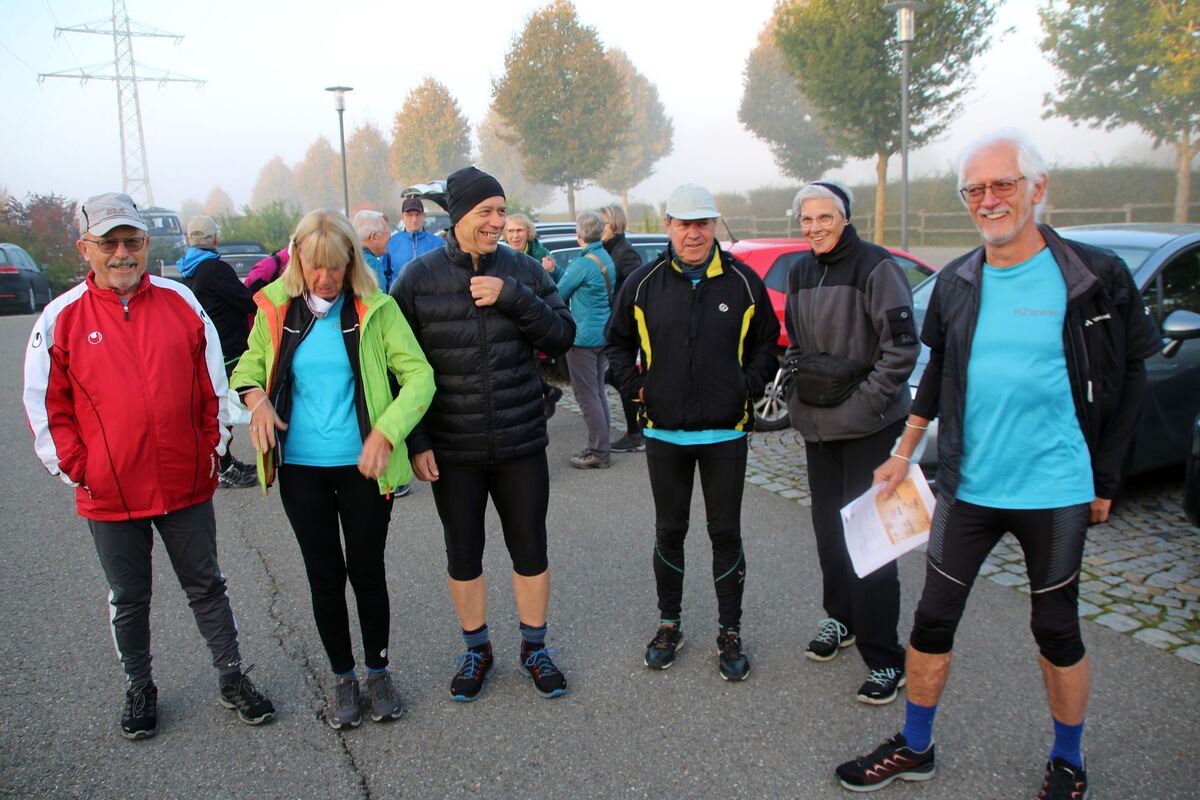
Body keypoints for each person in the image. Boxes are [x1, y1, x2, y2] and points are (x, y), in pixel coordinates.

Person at [834, 130, 1160, 798]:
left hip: (1057, 488)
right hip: (970, 485)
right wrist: (902, 455)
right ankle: (915, 745)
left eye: (1002, 184)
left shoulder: (1095, 278)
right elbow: (937, 376)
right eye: (974, 189)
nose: (988, 200)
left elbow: (1130, 376)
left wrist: (1106, 479)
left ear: (1037, 188)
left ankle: (1068, 761)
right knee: (931, 622)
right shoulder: (957, 281)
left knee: (1056, 628)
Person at [23, 192, 275, 740]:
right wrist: (79, 470)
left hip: (184, 483)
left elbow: (214, 384)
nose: (122, 254)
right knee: (130, 597)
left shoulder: (182, 301)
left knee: (206, 584)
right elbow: (46, 406)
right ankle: (140, 684)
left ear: (146, 244)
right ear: (85, 248)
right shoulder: (60, 318)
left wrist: (212, 450)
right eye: (108, 243)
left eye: (131, 241)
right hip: (110, 493)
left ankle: (232, 677)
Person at [230, 210, 435, 729]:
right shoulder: (275, 307)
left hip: (365, 468)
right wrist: (256, 402)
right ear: (297, 258)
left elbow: (419, 378)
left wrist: (386, 432)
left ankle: (378, 671)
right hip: (300, 469)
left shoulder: (377, 309)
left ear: (352, 262)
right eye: (315, 266)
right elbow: (248, 367)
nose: (325, 279)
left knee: (367, 572)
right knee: (324, 576)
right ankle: (343, 678)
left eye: (336, 268)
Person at [391, 166, 576, 702]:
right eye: (485, 212)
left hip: (520, 440)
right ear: (458, 216)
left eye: (501, 210)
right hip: (454, 449)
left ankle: (534, 648)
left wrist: (513, 296)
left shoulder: (521, 270)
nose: (497, 221)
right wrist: (417, 440)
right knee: (463, 553)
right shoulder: (418, 280)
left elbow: (563, 334)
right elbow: (396, 368)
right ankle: (477, 650)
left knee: (530, 548)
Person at [605, 183, 779, 681]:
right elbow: (615, 347)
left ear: (714, 226)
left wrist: (745, 386)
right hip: (666, 435)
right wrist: (638, 390)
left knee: (724, 533)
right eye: (684, 224)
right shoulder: (642, 283)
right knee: (670, 532)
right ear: (668, 226)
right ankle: (669, 624)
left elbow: (768, 345)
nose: (694, 233)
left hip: (726, 434)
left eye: (703, 223)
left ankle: (730, 631)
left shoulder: (744, 283)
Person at [783, 182, 918, 705]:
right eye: (806, 220)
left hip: (869, 428)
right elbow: (796, 342)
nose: (814, 227)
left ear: (845, 218)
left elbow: (901, 348)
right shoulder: (799, 271)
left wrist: (866, 404)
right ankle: (841, 618)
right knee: (829, 532)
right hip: (818, 429)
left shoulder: (877, 267)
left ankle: (886, 657)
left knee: (872, 540)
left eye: (825, 217)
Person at [178, 214, 259, 489]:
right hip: (228, 347)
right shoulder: (214, 269)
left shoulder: (188, 269)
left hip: (209, 347)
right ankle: (222, 466)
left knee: (221, 407)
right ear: (214, 238)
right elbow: (246, 301)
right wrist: (264, 291)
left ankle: (224, 462)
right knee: (232, 406)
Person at [557, 210, 617, 469]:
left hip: (582, 338)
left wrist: (552, 272)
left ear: (578, 234)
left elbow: (559, 292)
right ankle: (601, 445)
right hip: (603, 334)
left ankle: (598, 452)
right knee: (598, 392)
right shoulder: (605, 257)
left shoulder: (582, 263)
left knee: (586, 395)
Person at [504, 212, 564, 418]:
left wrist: (553, 270)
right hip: (509, 318)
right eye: (510, 231)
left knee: (528, 363)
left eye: (519, 230)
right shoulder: (500, 252)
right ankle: (548, 392)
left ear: (528, 232)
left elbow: (559, 284)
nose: (514, 235)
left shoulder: (540, 253)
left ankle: (537, 403)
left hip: (534, 318)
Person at [599, 204, 647, 454]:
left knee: (620, 375)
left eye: (603, 224)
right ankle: (639, 423)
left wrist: (620, 309)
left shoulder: (625, 252)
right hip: (614, 324)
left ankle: (636, 433)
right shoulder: (608, 249)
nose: (599, 229)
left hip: (625, 327)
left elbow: (634, 289)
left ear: (615, 224)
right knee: (615, 377)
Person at [383, 197, 442, 289]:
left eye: (417, 214)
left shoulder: (438, 243)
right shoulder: (391, 242)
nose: (414, 219)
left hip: (428, 300)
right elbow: (383, 275)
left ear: (424, 216)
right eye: (410, 215)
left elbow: (444, 274)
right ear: (402, 217)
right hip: (398, 300)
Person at [354, 209, 393, 292]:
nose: (390, 237)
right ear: (375, 237)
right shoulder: (372, 264)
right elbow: (380, 302)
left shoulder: (345, 257)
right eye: (387, 232)